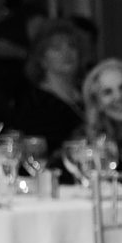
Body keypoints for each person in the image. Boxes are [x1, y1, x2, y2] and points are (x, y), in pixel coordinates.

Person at [12, 21, 87, 152]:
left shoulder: (88, 92)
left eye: (72, 46)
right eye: (56, 48)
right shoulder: (34, 102)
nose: (67, 53)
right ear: (42, 59)